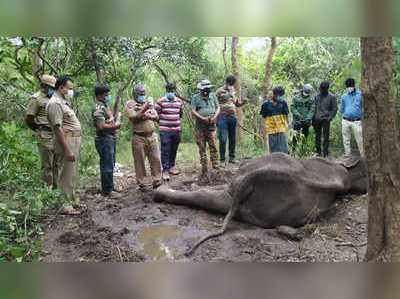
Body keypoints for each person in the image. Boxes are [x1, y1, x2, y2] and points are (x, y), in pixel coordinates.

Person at [47, 76, 81, 215]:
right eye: (69, 88)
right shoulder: (55, 103)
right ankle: (65, 205)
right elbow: (57, 128)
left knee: (71, 173)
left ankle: (72, 200)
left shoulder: (63, 102)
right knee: (65, 174)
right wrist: (67, 150)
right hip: (66, 142)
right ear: (61, 87)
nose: (71, 91)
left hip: (73, 140)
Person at [125, 84, 162, 191]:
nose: (143, 95)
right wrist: (145, 109)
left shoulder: (149, 103)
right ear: (135, 94)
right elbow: (133, 117)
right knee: (139, 161)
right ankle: (143, 183)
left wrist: (146, 114)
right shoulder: (130, 104)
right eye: (141, 94)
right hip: (139, 137)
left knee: (156, 159)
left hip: (152, 136)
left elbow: (156, 117)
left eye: (144, 93)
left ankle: (157, 180)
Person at [25, 74, 59, 189]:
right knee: (47, 164)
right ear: (43, 86)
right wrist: (38, 128)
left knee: (56, 163)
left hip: (56, 134)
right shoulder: (36, 98)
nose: (53, 90)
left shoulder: (54, 98)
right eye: (51, 87)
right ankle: (47, 190)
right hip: (44, 134)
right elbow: (29, 118)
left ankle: (56, 188)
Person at [92, 85, 121, 197]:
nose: (108, 97)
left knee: (110, 163)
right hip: (104, 139)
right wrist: (115, 126)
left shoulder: (104, 106)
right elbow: (100, 126)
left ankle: (110, 187)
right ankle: (108, 191)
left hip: (109, 138)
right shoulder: (98, 107)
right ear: (99, 95)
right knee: (107, 165)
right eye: (106, 95)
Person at [155, 82, 184, 181]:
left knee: (174, 149)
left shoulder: (179, 101)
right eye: (169, 91)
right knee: (165, 150)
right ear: (166, 91)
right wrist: (163, 123)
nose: (171, 92)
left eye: (172, 90)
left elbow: (180, 114)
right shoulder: (160, 101)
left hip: (176, 130)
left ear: (174, 91)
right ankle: (165, 170)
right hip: (165, 130)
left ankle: (172, 166)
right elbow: (156, 115)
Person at [191, 79, 220, 175]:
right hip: (200, 126)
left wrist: (215, 117)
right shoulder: (195, 97)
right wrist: (202, 118)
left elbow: (218, 107)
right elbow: (193, 110)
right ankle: (204, 166)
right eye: (205, 89)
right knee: (202, 146)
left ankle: (215, 165)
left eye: (208, 89)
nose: (206, 91)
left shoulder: (213, 96)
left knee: (213, 145)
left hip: (211, 125)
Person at [215, 75, 245, 165]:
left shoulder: (233, 91)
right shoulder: (219, 91)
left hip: (232, 117)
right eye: (230, 83)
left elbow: (236, 104)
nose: (231, 85)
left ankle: (232, 158)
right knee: (223, 139)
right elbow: (214, 103)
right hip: (222, 117)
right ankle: (222, 160)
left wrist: (243, 102)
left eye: (232, 84)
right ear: (226, 82)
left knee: (232, 139)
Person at [260, 86, 289, 154]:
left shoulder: (283, 103)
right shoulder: (265, 104)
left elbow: (286, 115)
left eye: (282, 96)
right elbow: (263, 118)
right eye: (279, 95)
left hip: (281, 128)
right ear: (274, 94)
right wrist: (263, 129)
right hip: (271, 129)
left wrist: (287, 125)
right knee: (273, 149)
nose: (280, 97)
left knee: (283, 148)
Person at [313, 81, 338, 157]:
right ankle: (318, 152)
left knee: (326, 137)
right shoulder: (317, 96)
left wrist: (330, 117)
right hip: (317, 119)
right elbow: (314, 108)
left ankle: (325, 153)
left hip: (325, 120)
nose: (321, 90)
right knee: (317, 136)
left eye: (323, 89)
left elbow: (334, 109)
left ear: (327, 89)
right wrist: (313, 118)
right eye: (321, 89)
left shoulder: (332, 97)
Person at [340, 78, 364, 157]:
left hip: (356, 121)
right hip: (345, 120)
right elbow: (342, 109)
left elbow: (364, 106)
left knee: (360, 140)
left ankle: (363, 155)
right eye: (347, 87)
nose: (349, 88)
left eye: (350, 86)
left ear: (354, 86)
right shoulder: (344, 96)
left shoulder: (360, 95)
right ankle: (348, 155)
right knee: (346, 139)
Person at [291, 84, 315, 149]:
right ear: (303, 90)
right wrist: (298, 115)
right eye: (306, 91)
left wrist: (308, 118)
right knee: (295, 137)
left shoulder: (312, 99)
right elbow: (292, 107)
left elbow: (312, 110)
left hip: (306, 121)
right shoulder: (296, 97)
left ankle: (303, 150)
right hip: (297, 120)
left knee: (305, 137)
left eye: (308, 92)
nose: (307, 93)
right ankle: (293, 150)